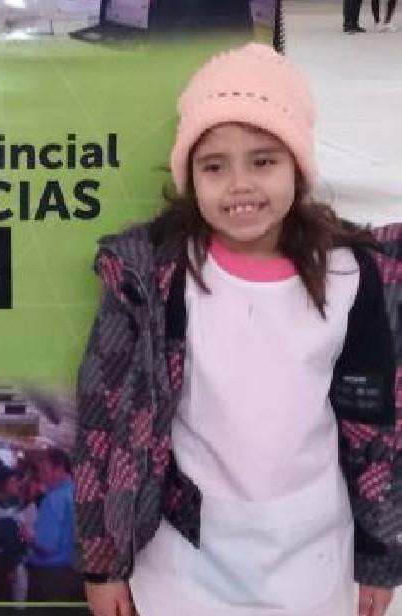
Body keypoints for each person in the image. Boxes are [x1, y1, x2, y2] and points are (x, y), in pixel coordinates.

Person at [75, 43, 402, 616]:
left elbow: (374, 427)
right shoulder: (151, 278)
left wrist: (379, 554)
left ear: (297, 167)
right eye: (214, 166)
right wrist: (102, 565)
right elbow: (102, 421)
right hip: (182, 555)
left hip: (309, 554)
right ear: (190, 176)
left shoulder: (353, 275)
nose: (239, 184)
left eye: (263, 161)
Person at [24, 447, 81, 601]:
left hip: (50, 576)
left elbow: (46, 545)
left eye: (44, 470)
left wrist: (28, 538)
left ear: (59, 468)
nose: (40, 476)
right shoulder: (79, 493)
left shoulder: (54, 499)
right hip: (76, 572)